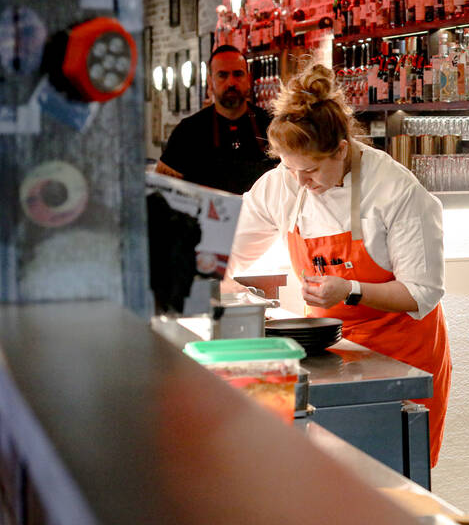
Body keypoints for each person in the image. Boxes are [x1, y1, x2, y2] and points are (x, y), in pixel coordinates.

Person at [228, 63, 452, 466]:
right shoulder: (282, 183)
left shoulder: (394, 190)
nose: (302, 182)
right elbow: (228, 249)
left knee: (395, 482)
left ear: (342, 149)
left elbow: (422, 291)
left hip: (401, 357)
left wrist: (349, 290)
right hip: (331, 357)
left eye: (311, 170)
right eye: (291, 168)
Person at [155, 45, 277, 194]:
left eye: (238, 74)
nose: (231, 82)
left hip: (259, 216)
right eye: (222, 75)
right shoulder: (188, 131)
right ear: (210, 81)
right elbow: (163, 189)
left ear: (248, 79)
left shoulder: (271, 125)